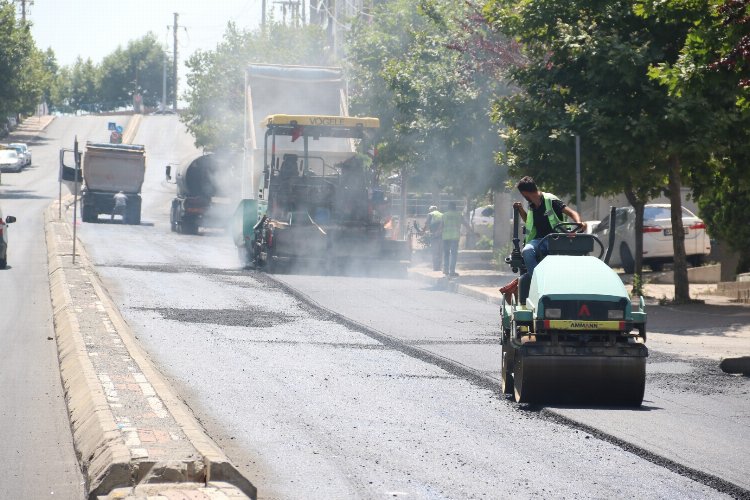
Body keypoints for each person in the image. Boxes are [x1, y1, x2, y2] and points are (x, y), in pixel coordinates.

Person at [442, 201, 471, 277]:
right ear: (455, 207)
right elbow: (465, 224)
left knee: (446, 254)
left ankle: (445, 270)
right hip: (455, 237)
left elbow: (441, 226)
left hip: (445, 237)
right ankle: (452, 271)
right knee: (453, 254)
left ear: (448, 207)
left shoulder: (444, 215)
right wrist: (472, 232)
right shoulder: (459, 215)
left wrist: (436, 234)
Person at [425, 205, 443, 271]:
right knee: (440, 252)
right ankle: (440, 267)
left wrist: (424, 231)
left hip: (434, 235)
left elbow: (426, 223)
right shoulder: (442, 214)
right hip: (441, 235)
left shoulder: (430, 214)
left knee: (435, 252)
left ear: (430, 210)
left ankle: (435, 268)